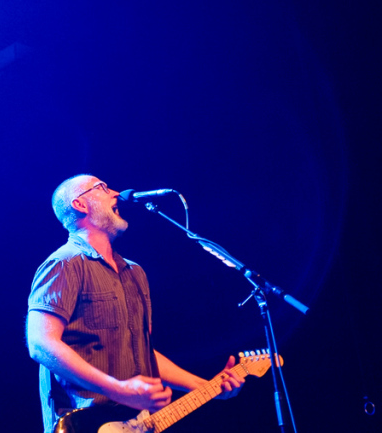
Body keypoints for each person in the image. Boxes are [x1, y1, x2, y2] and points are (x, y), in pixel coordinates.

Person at [25, 174, 245, 432]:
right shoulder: (65, 264)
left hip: (138, 422)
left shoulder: (134, 273)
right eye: (102, 187)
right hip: (86, 423)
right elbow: (40, 343)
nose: (116, 192)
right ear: (80, 205)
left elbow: (142, 352)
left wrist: (206, 386)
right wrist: (119, 390)